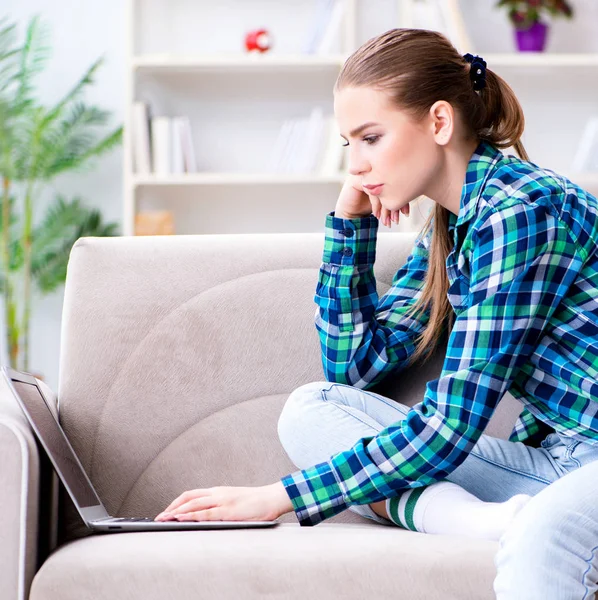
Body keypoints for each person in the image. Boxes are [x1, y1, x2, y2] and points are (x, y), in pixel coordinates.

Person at [155, 28, 598, 598]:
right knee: (310, 411)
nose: (357, 166)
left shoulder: (520, 212)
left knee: (525, 531)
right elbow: (358, 369)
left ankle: (500, 522)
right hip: (557, 463)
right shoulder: (450, 223)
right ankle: (482, 522)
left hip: (585, 461)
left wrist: (280, 497)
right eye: (348, 145)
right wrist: (352, 227)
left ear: (439, 123)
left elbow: (451, 424)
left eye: (371, 137)